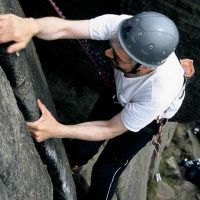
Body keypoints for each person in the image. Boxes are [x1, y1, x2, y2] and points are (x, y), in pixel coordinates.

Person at [0, 11, 191, 200]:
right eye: (112, 46)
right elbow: (66, 28)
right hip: (121, 93)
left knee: (107, 169)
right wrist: (32, 25)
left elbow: (109, 129)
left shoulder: (158, 93)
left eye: (117, 56)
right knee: (83, 144)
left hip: (148, 118)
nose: (107, 53)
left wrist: (58, 129)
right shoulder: (125, 28)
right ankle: (74, 163)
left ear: (144, 67)